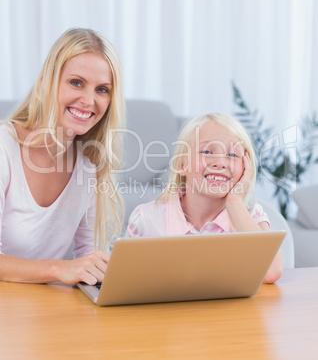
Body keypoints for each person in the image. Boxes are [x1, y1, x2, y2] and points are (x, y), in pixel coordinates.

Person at [0, 28, 125, 285]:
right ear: (48, 80)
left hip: (47, 310)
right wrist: (59, 270)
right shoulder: (4, 147)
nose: (88, 100)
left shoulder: (90, 161)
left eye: (102, 89)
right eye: (76, 83)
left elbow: (88, 253)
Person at [126, 113, 284, 284]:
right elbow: (126, 279)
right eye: (207, 151)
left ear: (246, 168)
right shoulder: (147, 218)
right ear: (181, 165)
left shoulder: (250, 216)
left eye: (232, 155)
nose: (220, 162)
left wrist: (234, 202)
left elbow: (271, 273)